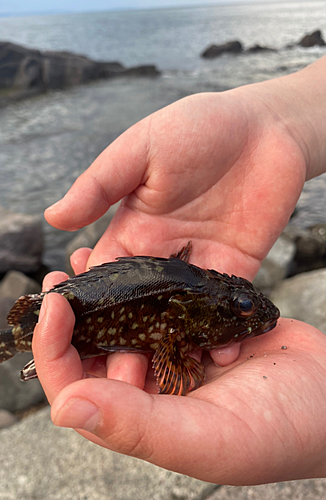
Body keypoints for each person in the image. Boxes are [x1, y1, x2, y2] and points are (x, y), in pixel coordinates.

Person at [32, 54, 326, 485]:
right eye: (242, 303)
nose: (252, 310)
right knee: (51, 324)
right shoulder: (183, 308)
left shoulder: (188, 299)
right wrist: (274, 119)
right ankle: (29, 330)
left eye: (243, 302)